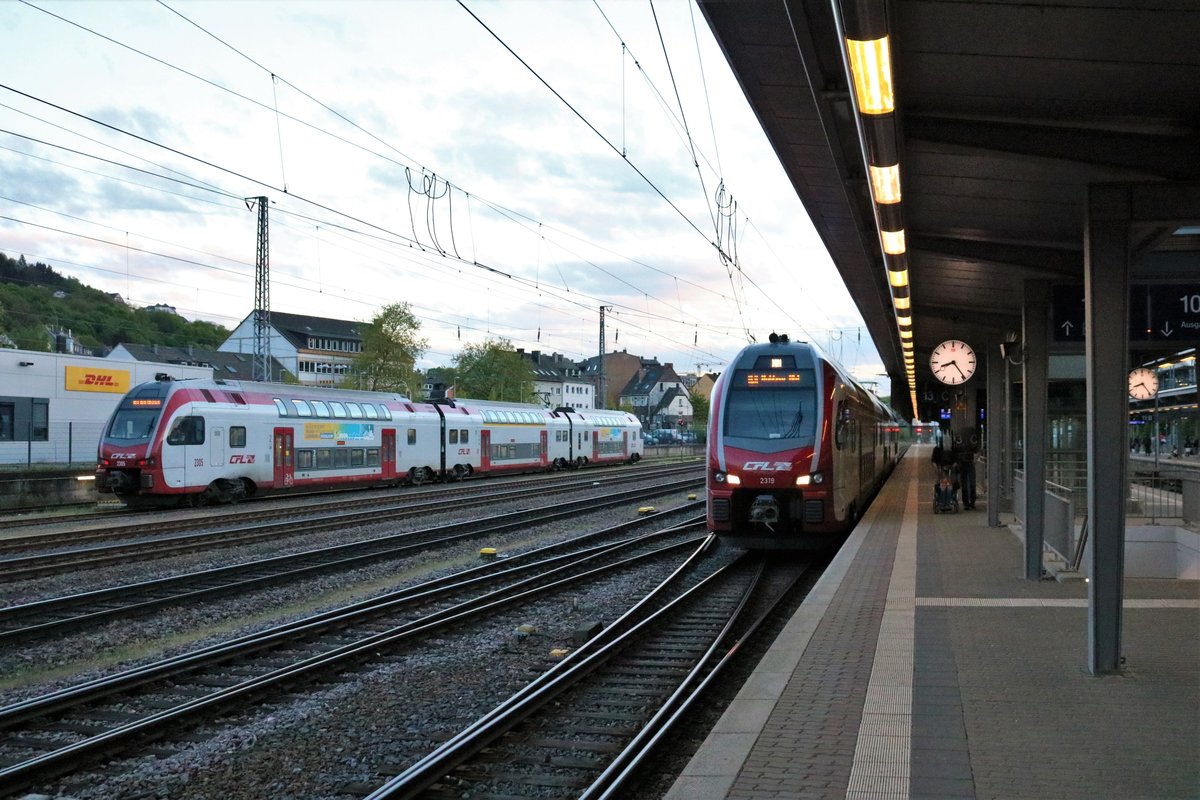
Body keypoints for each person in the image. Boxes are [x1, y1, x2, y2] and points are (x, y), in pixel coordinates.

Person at [952, 431, 978, 510]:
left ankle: (967, 503)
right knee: (969, 484)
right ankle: (970, 503)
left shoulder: (959, 442)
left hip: (964, 464)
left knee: (966, 484)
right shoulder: (971, 441)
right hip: (967, 464)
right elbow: (976, 450)